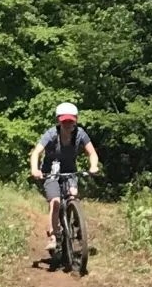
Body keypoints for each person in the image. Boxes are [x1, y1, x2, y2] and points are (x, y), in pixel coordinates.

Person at [29, 102, 101, 264]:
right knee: (55, 201)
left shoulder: (80, 134)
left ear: (75, 121)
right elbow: (36, 153)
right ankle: (53, 235)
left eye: (71, 121)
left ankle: (76, 224)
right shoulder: (51, 134)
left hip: (70, 172)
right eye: (64, 122)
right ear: (59, 121)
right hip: (51, 173)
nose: (68, 125)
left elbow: (92, 153)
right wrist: (35, 169)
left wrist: (93, 166)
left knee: (73, 195)